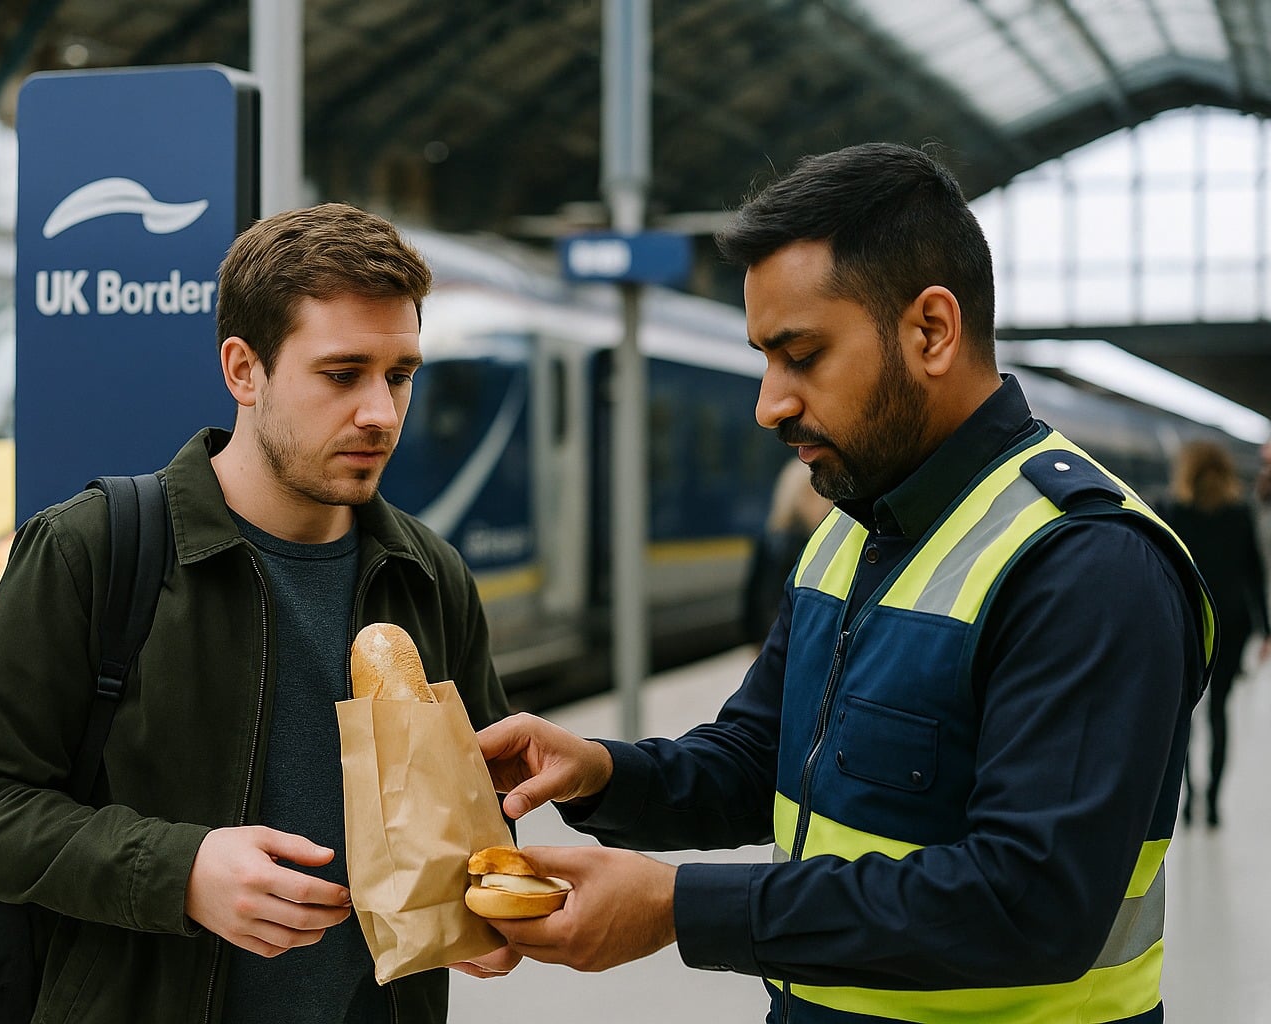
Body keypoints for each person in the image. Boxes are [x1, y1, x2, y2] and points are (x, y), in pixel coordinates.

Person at [476, 143, 1214, 1023]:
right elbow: (760, 760)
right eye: (764, 358)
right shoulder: (852, 534)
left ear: (931, 331)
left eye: (801, 354)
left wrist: (681, 910)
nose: (769, 404)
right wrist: (596, 773)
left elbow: (1031, 902)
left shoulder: (1086, 565)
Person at [0, 203, 517, 1024]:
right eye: (342, 375)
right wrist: (184, 872)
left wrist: (483, 897)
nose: (381, 413)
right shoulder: (92, 549)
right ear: (244, 369)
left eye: (401, 375)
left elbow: (473, 809)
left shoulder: (428, 576)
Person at [1161, 439, 1269, 827]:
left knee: (1186, 713)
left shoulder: (1175, 510)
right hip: (1231, 625)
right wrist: (1266, 630)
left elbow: (1165, 572)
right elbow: (1254, 575)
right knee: (1220, 712)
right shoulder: (1240, 513)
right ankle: (1214, 802)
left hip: (1188, 622)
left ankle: (1189, 800)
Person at [741, 457, 834, 648]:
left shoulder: (770, 540)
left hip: (775, 644)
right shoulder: (811, 546)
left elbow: (752, 600)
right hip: (790, 644)